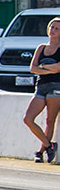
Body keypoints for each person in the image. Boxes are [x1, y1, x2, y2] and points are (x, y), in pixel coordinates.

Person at [23, 17, 60, 162]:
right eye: (52, 27)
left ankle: (40, 152)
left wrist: (42, 68)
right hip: (41, 87)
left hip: (56, 87)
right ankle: (48, 145)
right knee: (28, 119)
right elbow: (33, 68)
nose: (53, 31)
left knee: (50, 121)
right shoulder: (41, 48)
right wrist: (50, 69)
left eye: (57, 29)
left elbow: (59, 68)